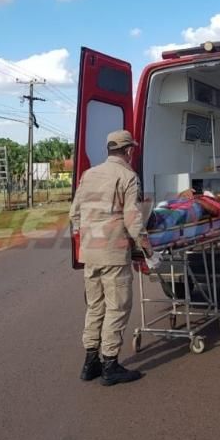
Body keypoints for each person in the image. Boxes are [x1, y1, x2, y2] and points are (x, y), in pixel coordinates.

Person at [69, 130, 153, 385]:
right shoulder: (127, 176)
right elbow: (132, 217)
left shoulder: (89, 175)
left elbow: (74, 214)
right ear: (129, 151)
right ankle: (110, 365)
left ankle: (90, 363)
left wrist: (86, 238)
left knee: (95, 306)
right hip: (113, 253)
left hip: (90, 252)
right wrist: (146, 246)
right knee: (117, 306)